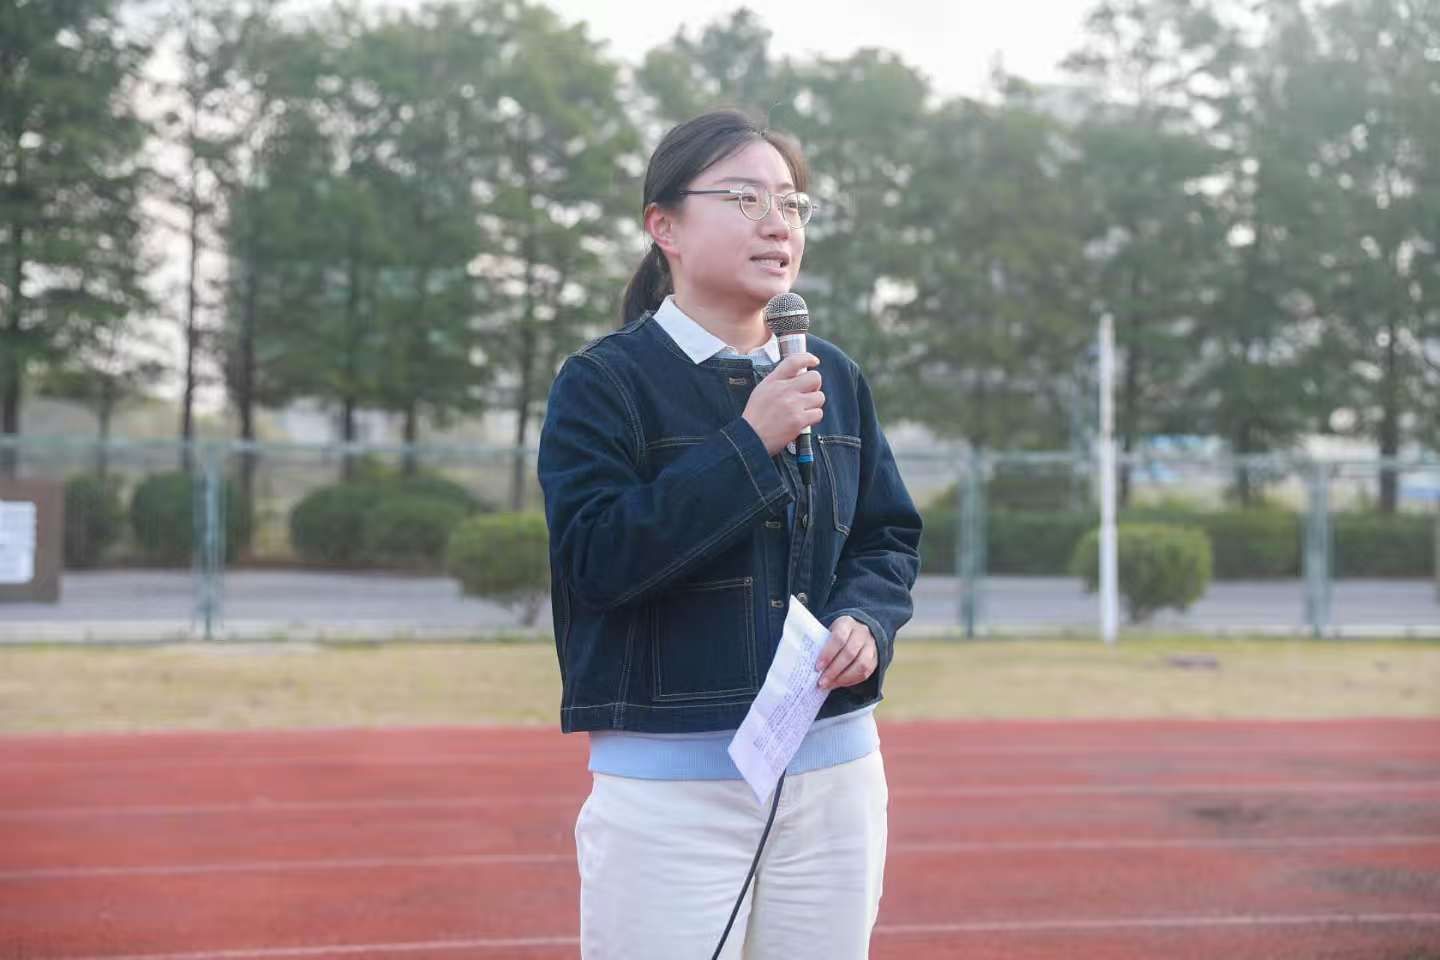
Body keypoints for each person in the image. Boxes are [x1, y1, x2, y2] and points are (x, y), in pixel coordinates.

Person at [537, 108, 923, 960]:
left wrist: (867, 619)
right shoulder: (604, 384)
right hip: (671, 794)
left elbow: (885, 538)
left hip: (833, 776)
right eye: (745, 198)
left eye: (792, 203)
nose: (778, 224)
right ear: (664, 226)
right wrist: (750, 444)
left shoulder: (832, 375)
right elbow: (597, 561)